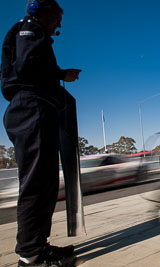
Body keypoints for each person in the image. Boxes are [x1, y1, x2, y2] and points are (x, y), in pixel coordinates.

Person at [1, 1, 81, 266]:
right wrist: (61, 73)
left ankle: (38, 246)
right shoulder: (29, 29)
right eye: (57, 17)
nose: (58, 24)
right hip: (30, 107)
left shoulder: (32, 32)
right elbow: (27, 65)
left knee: (45, 184)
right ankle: (30, 255)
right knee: (36, 183)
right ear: (41, 12)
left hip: (38, 108)